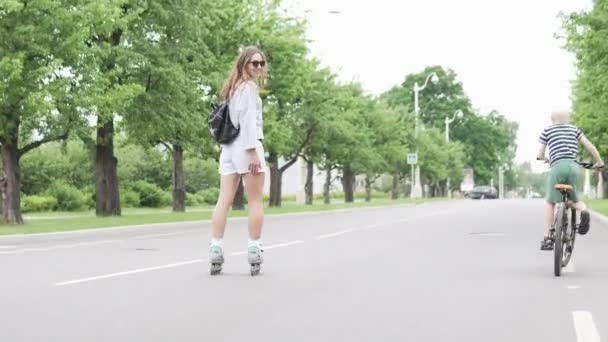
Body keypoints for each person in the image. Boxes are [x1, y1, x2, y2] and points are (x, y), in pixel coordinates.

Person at [209, 47, 267, 274]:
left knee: (223, 200)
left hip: (228, 150)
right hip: (246, 147)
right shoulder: (249, 88)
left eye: (261, 63)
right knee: (255, 201)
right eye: (254, 63)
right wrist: (253, 151)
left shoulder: (231, 89)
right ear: (243, 64)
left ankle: (215, 248)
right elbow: (249, 123)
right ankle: (254, 248)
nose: (259, 67)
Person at [537, 110, 604, 250]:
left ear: (552, 119)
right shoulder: (574, 129)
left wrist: (545, 158)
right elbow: (590, 146)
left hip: (556, 168)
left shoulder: (547, 131)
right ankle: (583, 210)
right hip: (573, 167)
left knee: (550, 201)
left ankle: (548, 237)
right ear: (568, 118)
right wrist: (599, 162)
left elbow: (539, 154)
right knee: (574, 200)